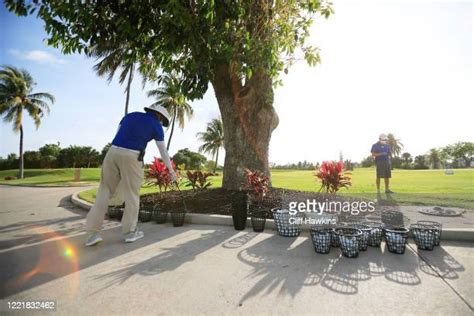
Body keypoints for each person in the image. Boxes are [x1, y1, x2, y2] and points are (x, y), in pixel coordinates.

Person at [84, 104, 177, 246]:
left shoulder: (130, 115)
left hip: (112, 152)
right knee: (132, 194)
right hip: (132, 156)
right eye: (162, 121)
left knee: (104, 191)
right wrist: (171, 171)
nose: (161, 123)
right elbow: (163, 150)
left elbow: (118, 134)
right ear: (160, 116)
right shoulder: (156, 125)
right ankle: (130, 233)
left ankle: (93, 233)